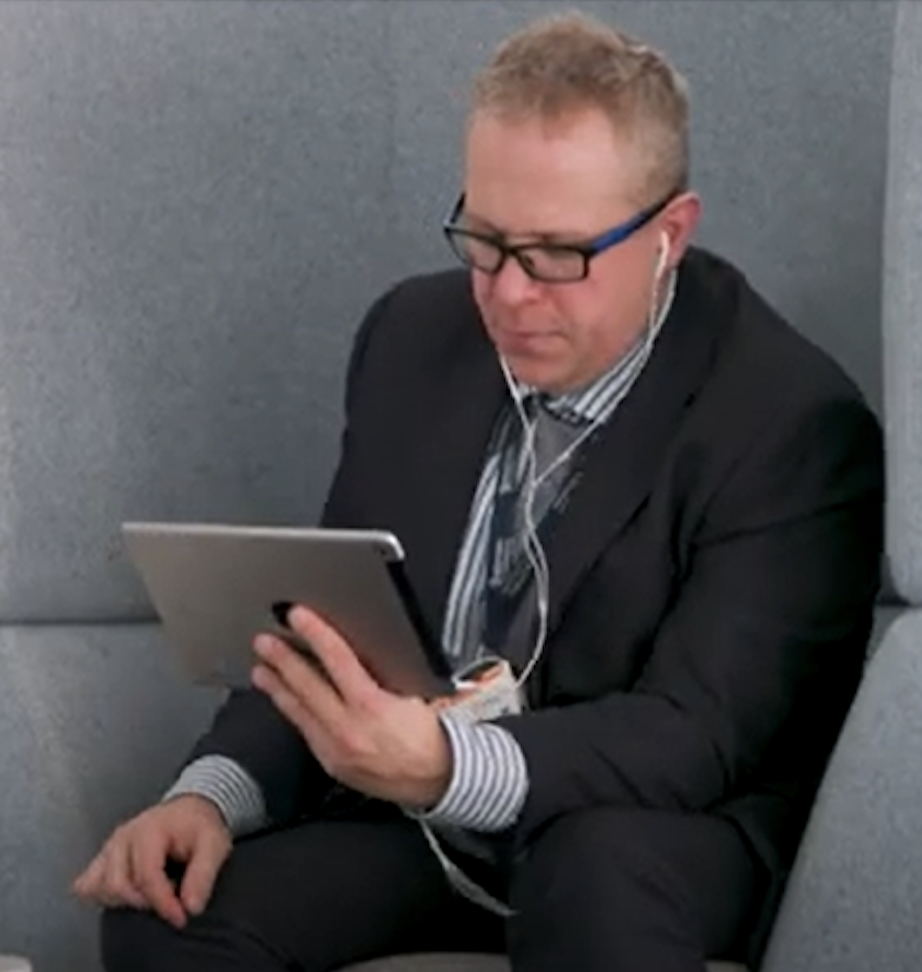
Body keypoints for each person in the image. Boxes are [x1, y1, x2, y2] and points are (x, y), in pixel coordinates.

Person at [75, 11, 884, 972]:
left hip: (649, 836)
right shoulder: (411, 338)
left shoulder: (790, 422)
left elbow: (695, 738)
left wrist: (450, 764)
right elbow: (326, 636)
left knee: (592, 873)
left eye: (555, 255)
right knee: (165, 912)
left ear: (670, 234)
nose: (508, 294)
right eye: (486, 240)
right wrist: (207, 796)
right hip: (423, 825)